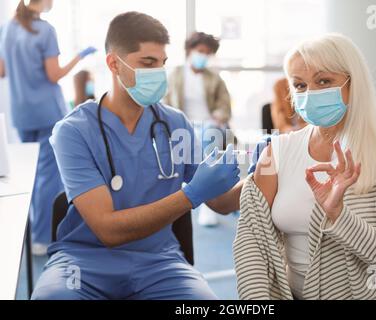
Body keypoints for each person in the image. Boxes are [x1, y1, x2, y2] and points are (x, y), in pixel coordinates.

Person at [31, 12, 244, 300]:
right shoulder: (73, 131)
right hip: (83, 261)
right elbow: (107, 230)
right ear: (113, 64)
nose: (158, 72)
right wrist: (190, 195)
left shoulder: (175, 124)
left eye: (162, 63)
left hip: (159, 261)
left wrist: (258, 175)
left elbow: (220, 202)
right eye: (148, 63)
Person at [234, 33, 376, 300]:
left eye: (324, 81)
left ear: (352, 84)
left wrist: (338, 214)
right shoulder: (276, 152)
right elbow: (251, 241)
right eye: (299, 85)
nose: (310, 93)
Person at [0, 0, 96, 255]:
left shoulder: (7, 28)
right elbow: (54, 75)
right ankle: (42, 238)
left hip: (21, 112)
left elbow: (2, 70)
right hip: (46, 111)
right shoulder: (45, 30)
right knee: (48, 178)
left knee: (30, 173)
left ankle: (30, 232)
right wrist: (80, 56)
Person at [165, 32, 233, 227]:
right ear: (190, 51)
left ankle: (205, 203)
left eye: (207, 53)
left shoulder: (215, 78)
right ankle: (192, 194)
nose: (203, 55)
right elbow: (165, 103)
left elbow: (224, 105)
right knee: (188, 138)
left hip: (208, 124)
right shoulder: (176, 75)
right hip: (183, 124)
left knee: (209, 136)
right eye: (200, 51)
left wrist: (219, 116)